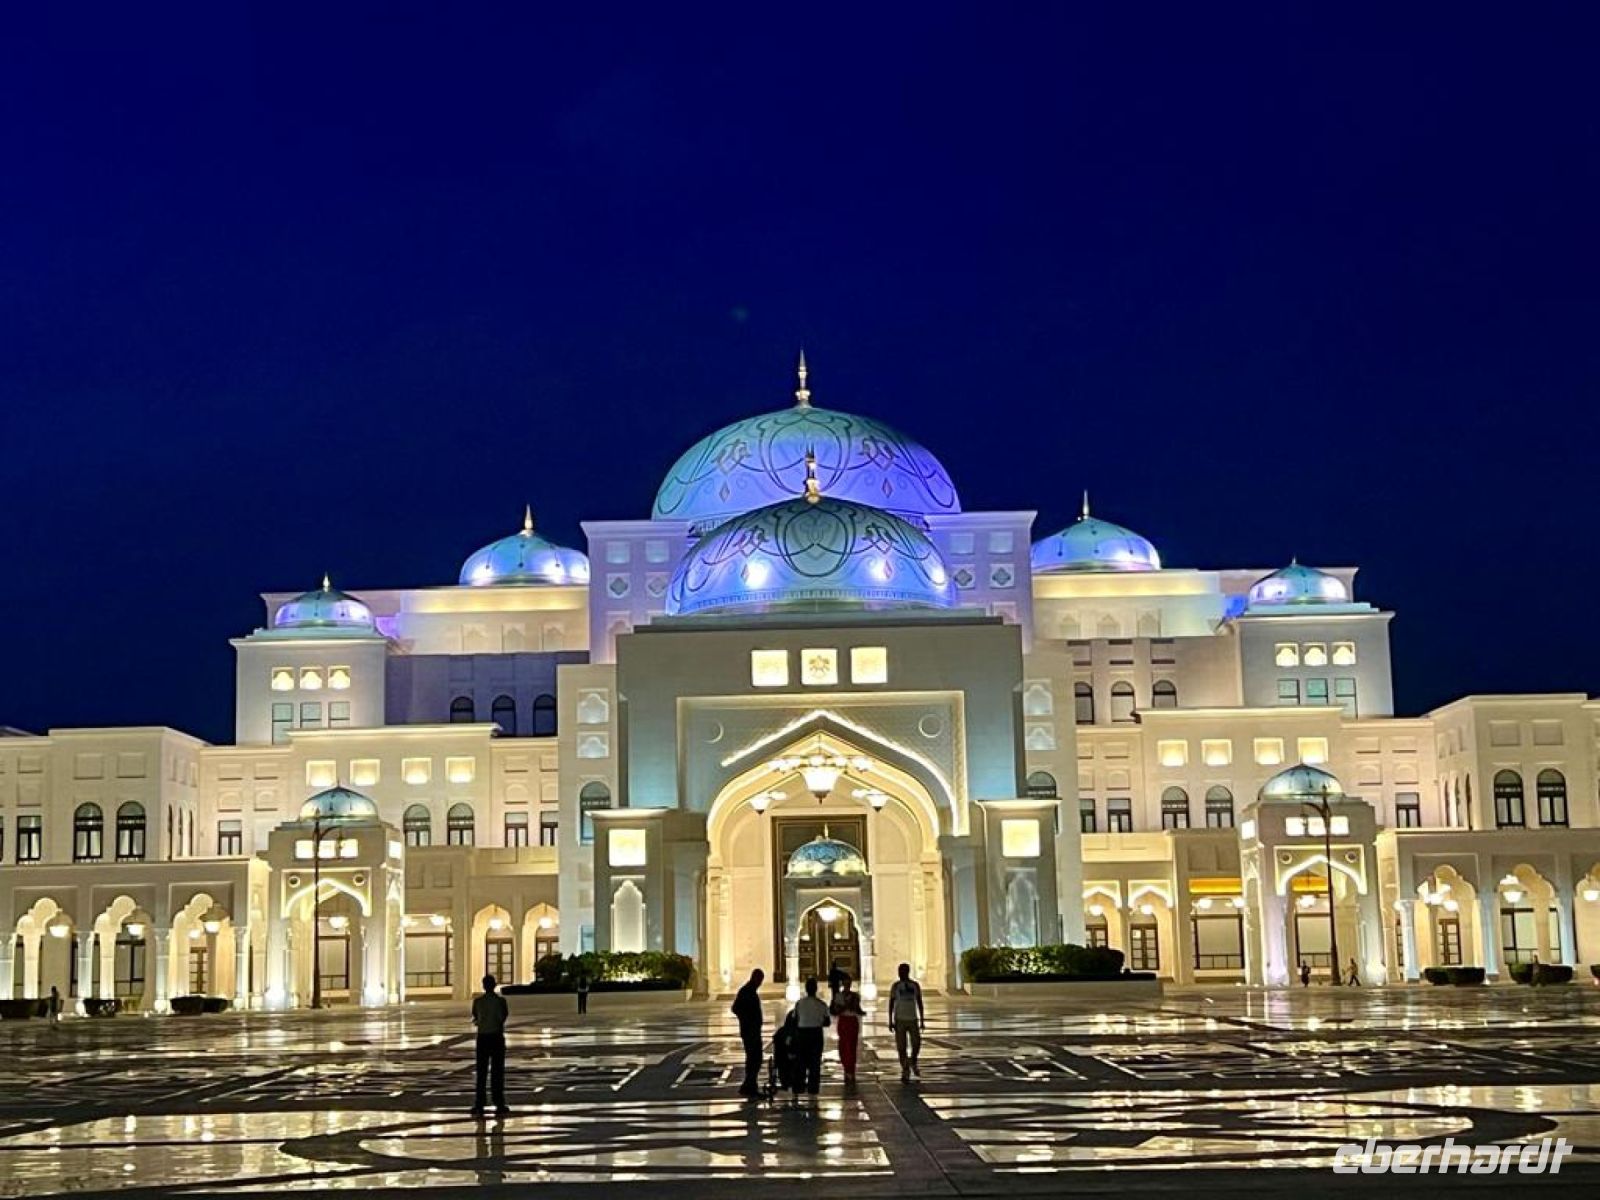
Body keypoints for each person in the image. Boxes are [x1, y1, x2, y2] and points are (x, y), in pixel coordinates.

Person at [470, 973, 510, 1118]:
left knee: (481, 1072)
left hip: (482, 1038)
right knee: (497, 1072)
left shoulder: (478, 1002)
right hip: (496, 1037)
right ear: (494, 985)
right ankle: (498, 1102)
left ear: (483, 986)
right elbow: (504, 1016)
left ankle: (479, 1103)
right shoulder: (500, 1001)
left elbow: (475, 1016)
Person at [792, 976, 831, 1096]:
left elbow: (795, 1019)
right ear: (816, 989)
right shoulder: (822, 1004)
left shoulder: (799, 1003)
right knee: (815, 1061)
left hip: (802, 1034)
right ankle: (813, 1087)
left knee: (801, 1061)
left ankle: (799, 1086)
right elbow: (827, 1022)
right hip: (816, 1034)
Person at [731, 968, 765, 1098]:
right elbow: (735, 1008)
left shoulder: (749, 990)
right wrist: (747, 1019)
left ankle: (749, 1085)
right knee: (754, 1058)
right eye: (760, 980)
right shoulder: (746, 991)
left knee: (754, 1058)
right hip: (750, 1031)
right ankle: (750, 1086)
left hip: (752, 1030)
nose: (760, 983)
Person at [887, 962, 924, 1082]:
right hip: (900, 1019)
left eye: (902, 971)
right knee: (901, 1046)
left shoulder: (914, 985)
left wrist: (922, 1019)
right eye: (899, 971)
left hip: (912, 1018)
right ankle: (905, 1068)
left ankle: (913, 1060)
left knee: (916, 1043)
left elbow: (919, 1002)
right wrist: (890, 1019)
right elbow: (891, 1003)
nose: (900, 974)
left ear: (907, 972)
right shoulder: (896, 986)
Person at [830, 976, 862, 1083]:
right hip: (844, 1021)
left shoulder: (855, 996)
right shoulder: (839, 996)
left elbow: (858, 1009)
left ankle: (851, 1070)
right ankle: (847, 1068)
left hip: (852, 1020)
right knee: (844, 1046)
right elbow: (835, 1010)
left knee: (852, 1046)